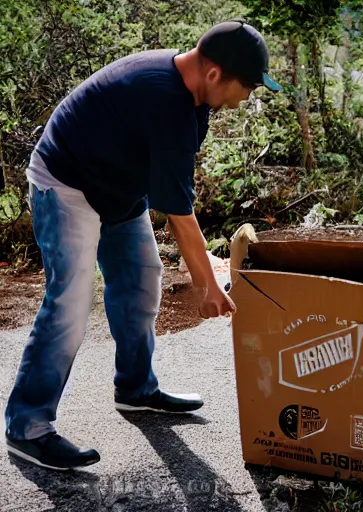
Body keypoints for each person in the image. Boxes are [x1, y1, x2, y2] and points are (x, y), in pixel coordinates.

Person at [4, 19, 281, 471]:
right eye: (247, 87)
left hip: (117, 186)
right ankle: (27, 426)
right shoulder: (166, 99)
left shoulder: (194, 98)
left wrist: (207, 271)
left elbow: (170, 186)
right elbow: (178, 212)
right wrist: (207, 284)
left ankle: (135, 389)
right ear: (215, 74)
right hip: (66, 183)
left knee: (140, 281)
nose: (245, 98)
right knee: (71, 303)